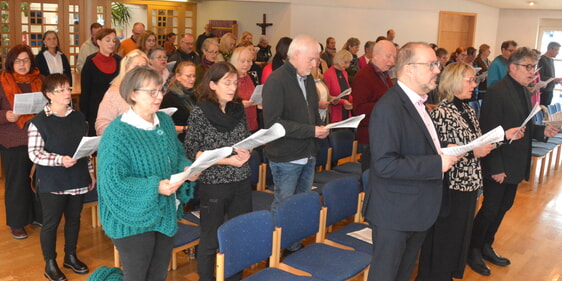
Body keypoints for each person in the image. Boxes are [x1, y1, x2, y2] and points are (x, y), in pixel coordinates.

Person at [416, 63, 522, 281]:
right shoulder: (443, 113)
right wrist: (473, 152)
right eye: (470, 80)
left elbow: (478, 142)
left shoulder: (466, 108)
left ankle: (447, 274)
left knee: (458, 236)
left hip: (469, 183)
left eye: (476, 80)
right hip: (452, 185)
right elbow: (442, 152)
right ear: (454, 81)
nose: (475, 85)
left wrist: (504, 136)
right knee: (445, 237)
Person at [363, 42, 459, 281]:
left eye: (437, 64)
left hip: (415, 207)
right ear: (409, 69)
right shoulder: (389, 107)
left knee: (403, 274)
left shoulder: (417, 102)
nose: (438, 70)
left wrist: (442, 150)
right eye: (431, 65)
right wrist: (437, 164)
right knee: (386, 275)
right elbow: (385, 164)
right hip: (395, 212)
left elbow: (415, 146)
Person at [96, 66, 196, 281]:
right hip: (131, 218)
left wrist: (187, 169)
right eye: (151, 92)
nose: (159, 96)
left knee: (158, 274)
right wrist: (155, 187)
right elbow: (112, 183)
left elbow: (176, 156)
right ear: (132, 94)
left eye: (160, 90)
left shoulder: (165, 122)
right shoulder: (117, 133)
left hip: (164, 210)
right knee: (137, 276)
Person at [468, 47, 560, 276]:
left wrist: (541, 131)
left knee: (504, 207)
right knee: (490, 209)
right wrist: (495, 167)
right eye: (528, 67)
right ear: (513, 67)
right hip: (499, 163)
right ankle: (472, 250)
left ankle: (487, 245)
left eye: (534, 67)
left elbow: (523, 125)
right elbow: (489, 132)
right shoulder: (497, 92)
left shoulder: (522, 90)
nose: (533, 72)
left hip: (515, 160)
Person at [184, 62, 252, 281]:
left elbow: (246, 139)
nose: (232, 88)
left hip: (241, 180)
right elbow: (194, 153)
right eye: (227, 83)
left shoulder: (237, 109)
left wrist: (247, 151)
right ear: (212, 85)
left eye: (235, 83)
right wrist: (228, 161)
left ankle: (234, 277)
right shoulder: (199, 113)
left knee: (239, 235)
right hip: (214, 184)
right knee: (210, 238)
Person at [27, 74, 95, 281]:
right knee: (51, 223)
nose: (68, 93)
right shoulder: (38, 123)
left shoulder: (78, 117)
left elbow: (87, 149)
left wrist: (91, 171)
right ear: (49, 95)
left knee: (74, 220)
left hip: (78, 177)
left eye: (68, 88)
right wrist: (59, 160)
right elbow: (35, 153)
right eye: (61, 90)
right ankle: (50, 263)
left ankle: (70, 256)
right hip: (52, 181)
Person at [262, 35, 329, 240]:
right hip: (286, 155)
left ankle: (292, 243)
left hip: (308, 152)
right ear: (296, 55)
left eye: (317, 59)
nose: (315, 64)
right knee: (283, 205)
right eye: (311, 59)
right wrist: (311, 131)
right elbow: (274, 124)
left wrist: (321, 126)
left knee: (301, 203)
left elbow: (311, 112)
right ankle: (275, 248)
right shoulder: (276, 80)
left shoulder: (308, 78)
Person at [0, 44, 43, 240]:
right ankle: (17, 223)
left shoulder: (40, 80)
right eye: (18, 61)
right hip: (13, 140)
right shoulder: (2, 82)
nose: (22, 64)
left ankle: (36, 216)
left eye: (26, 60)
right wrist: (5, 115)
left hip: (39, 139)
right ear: (11, 62)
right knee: (17, 183)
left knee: (38, 180)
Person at [351, 40, 396, 171]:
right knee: (369, 180)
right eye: (388, 56)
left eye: (394, 57)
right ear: (375, 55)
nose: (392, 61)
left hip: (383, 135)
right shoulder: (363, 76)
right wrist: (386, 106)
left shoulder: (384, 74)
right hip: (370, 137)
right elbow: (359, 110)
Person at [95, 49, 149, 135]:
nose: (140, 70)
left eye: (143, 66)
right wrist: (122, 133)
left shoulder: (148, 90)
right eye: (136, 66)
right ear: (126, 68)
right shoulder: (114, 92)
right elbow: (101, 126)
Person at [80, 28, 121, 136]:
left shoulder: (119, 60)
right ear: (98, 42)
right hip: (95, 111)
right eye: (108, 40)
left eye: (114, 40)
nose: (112, 43)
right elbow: (85, 92)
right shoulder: (90, 61)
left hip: (116, 111)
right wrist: (84, 117)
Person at [161, 61, 197, 141]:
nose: (192, 79)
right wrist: (186, 128)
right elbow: (163, 125)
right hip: (179, 140)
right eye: (188, 76)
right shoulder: (169, 99)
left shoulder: (193, 95)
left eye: (194, 76)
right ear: (178, 76)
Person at [230, 47, 258, 132]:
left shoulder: (250, 76)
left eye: (249, 61)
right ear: (235, 61)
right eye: (242, 61)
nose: (246, 64)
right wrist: (240, 104)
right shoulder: (229, 79)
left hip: (251, 122)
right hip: (236, 125)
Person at [323, 49, 353, 122]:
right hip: (335, 113)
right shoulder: (328, 74)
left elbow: (347, 91)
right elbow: (326, 96)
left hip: (346, 110)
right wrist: (342, 101)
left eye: (349, 63)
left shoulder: (344, 73)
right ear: (338, 60)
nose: (347, 65)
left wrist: (352, 102)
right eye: (345, 62)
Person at [539, 42, 562, 106]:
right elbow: (540, 76)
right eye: (556, 50)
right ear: (550, 49)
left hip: (550, 90)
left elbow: (550, 76)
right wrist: (554, 79)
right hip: (544, 90)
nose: (557, 53)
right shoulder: (542, 59)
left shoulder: (551, 60)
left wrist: (556, 81)